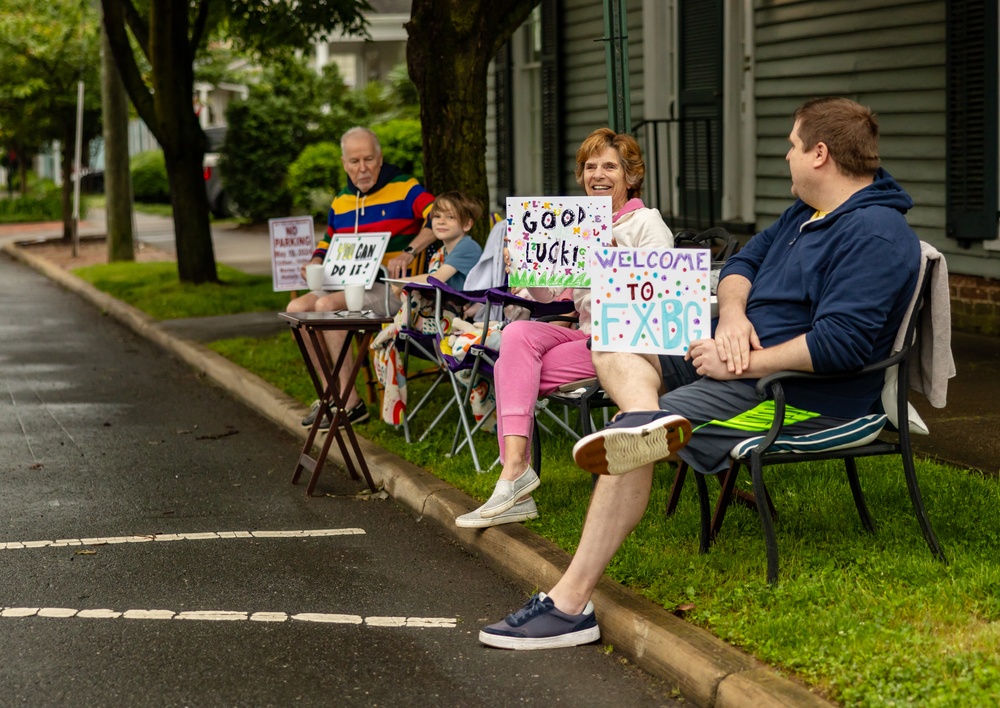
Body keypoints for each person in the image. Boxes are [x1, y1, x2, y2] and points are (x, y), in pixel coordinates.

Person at [479, 97, 921, 650]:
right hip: (734, 359)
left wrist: (741, 359)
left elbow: (842, 344)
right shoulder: (804, 215)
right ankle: (644, 420)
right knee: (619, 336)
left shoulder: (876, 236)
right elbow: (740, 265)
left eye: (791, 144)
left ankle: (569, 604)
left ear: (820, 155)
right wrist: (733, 316)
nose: (785, 156)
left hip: (797, 393)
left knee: (626, 444)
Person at [455, 128, 674, 529]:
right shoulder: (575, 225)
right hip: (584, 335)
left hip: (624, 345)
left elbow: (659, 295)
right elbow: (545, 295)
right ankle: (516, 468)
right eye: (590, 167)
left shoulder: (645, 223)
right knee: (517, 336)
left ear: (631, 176)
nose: (598, 174)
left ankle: (514, 477)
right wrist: (522, 264)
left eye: (609, 166)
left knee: (513, 367)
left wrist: (609, 257)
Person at [288, 126, 437, 428]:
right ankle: (331, 395)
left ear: (380, 159)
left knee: (324, 307)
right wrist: (314, 261)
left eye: (369, 159)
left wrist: (410, 250)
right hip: (347, 283)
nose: (363, 168)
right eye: (354, 162)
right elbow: (328, 240)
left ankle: (349, 402)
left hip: (390, 290)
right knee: (295, 310)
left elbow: (440, 217)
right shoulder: (341, 201)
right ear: (344, 164)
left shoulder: (405, 188)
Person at [371, 191, 484, 424]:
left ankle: (394, 331)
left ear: (467, 224)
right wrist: (404, 287)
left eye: (450, 217)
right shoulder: (441, 251)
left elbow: (436, 280)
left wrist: (402, 284)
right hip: (444, 319)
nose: (441, 221)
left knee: (407, 312)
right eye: (437, 216)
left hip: (463, 323)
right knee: (410, 304)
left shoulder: (467, 247)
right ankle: (396, 330)